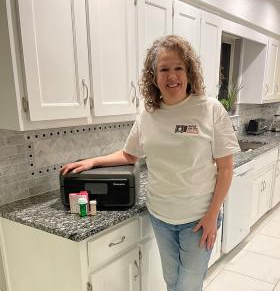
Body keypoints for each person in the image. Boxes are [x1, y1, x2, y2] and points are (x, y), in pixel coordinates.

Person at [62, 35, 240, 291]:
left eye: (178, 68)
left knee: (188, 286)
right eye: (164, 69)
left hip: (199, 218)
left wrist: (213, 215)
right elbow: (129, 155)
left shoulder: (210, 109)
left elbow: (225, 168)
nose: (172, 76)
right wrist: (92, 161)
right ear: (154, 77)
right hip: (161, 216)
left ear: (188, 71)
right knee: (171, 280)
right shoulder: (148, 114)